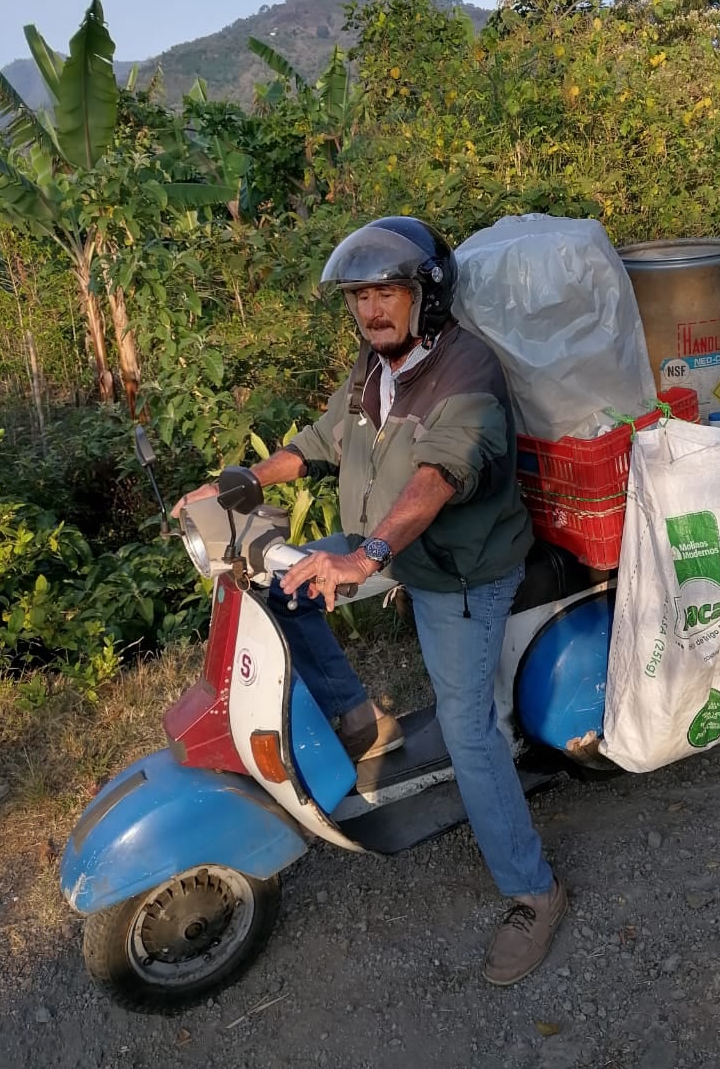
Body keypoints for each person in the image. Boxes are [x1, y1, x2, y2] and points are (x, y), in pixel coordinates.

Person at [174, 216, 566, 985]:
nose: (371, 310)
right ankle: (359, 722)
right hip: (383, 549)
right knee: (282, 587)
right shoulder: (371, 371)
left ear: (426, 296)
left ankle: (534, 892)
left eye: (386, 292)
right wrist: (245, 481)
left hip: (459, 570)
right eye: (358, 297)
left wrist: (370, 554)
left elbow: (437, 478)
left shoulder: (467, 374)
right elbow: (321, 441)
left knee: (470, 733)